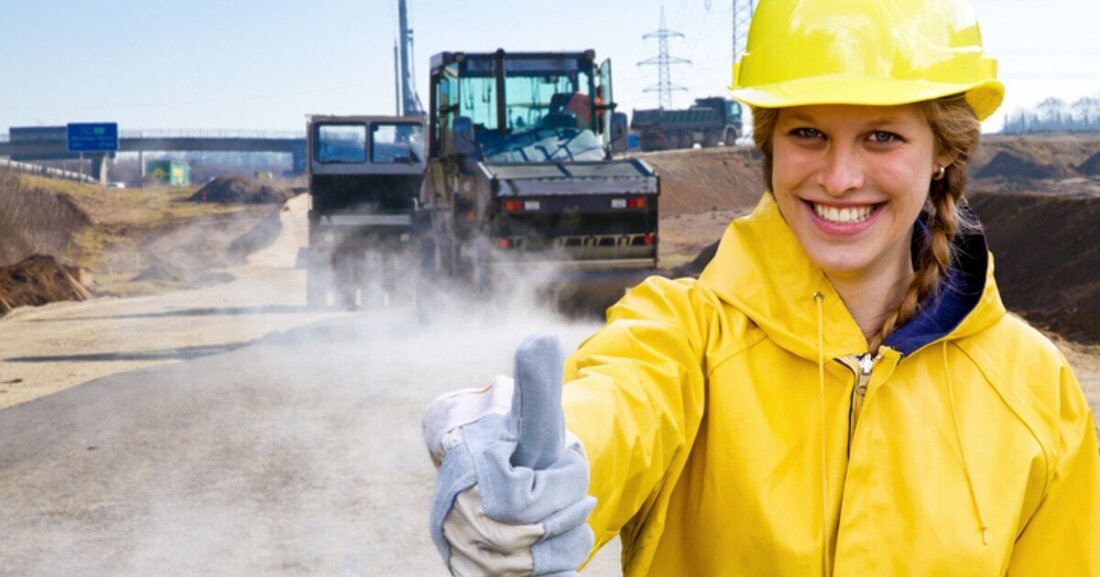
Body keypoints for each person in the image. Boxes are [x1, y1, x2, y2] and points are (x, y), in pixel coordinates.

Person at [423, 0, 1100, 575]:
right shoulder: (687, 332)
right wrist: (553, 461)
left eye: (881, 137)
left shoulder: (1036, 391)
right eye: (807, 132)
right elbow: (620, 400)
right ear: (770, 144)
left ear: (944, 149)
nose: (838, 178)